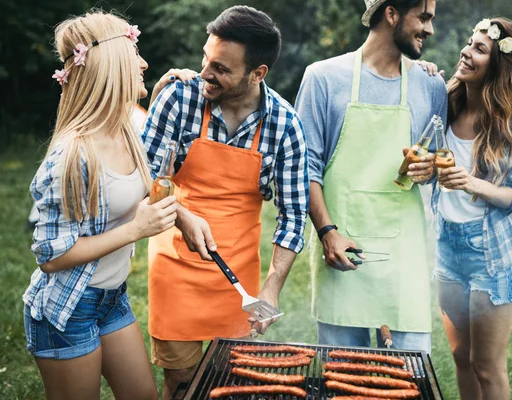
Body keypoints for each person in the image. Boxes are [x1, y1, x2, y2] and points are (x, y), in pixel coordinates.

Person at [142, 6, 309, 398]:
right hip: (175, 267)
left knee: (227, 384)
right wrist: (181, 214)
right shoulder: (179, 99)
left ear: (258, 73)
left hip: (237, 280)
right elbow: (142, 176)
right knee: (181, 382)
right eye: (205, 58)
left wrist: (270, 289)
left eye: (220, 68)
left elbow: (294, 214)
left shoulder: (284, 126)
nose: (204, 73)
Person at [23, 11, 178, 400]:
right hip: (68, 308)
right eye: (134, 54)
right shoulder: (73, 155)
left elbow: (146, 176)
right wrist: (135, 230)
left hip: (112, 298)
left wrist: (185, 219)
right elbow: (51, 257)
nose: (143, 62)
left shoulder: (127, 126)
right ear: (112, 65)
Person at [295, 0, 447, 352]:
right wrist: (327, 233)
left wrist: (428, 171)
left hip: (403, 254)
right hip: (341, 248)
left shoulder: (431, 85)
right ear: (391, 13)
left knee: (409, 374)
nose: (430, 29)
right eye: (423, 17)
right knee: (342, 375)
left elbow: (439, 165)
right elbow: (306, 168)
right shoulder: (323, 78)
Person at [432, 17, 512, 400]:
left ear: (498, 66)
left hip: (492, 257)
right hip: (447, 249)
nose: (466, 51)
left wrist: (472, 182)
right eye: (469, 42)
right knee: (460, 356)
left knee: (487, 366)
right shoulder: (445, 102)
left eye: (480, 49)